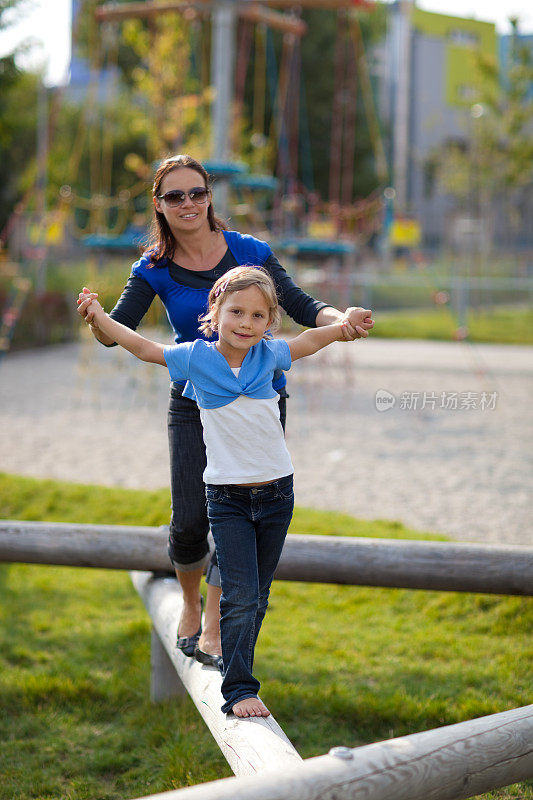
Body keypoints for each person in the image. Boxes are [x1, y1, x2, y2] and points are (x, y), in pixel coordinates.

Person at [77, 153, 374, 668]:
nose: (188, 203)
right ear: (160, 205)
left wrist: (341, 318)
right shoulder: (152, 268)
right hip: (195, 402)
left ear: (210, 196)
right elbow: (118, 334)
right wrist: (95, 317)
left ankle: (215, 627)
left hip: (259, 397)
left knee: (242, 511)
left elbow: (303, 308)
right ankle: (190, 605)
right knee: (191, 520)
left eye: (197, 192)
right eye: (175, 196)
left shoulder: (249, 251)